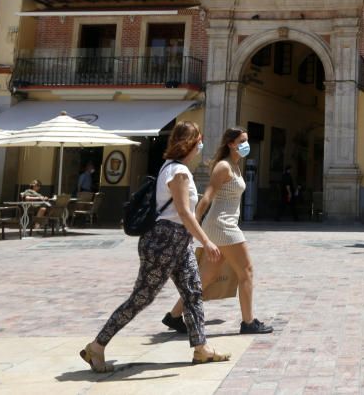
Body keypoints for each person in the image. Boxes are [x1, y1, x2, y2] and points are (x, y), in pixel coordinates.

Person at [80, 121, 229, 372]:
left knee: (192, 291)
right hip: (165, 240)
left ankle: (201, 348)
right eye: (199, 140)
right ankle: (97, 346)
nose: (202, 145)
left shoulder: (172, 168)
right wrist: (206, 241)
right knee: (142, 297)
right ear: (190, 143)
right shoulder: (178, 172)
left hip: (178, 241)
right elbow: (183, 212)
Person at [164, 127, 273, 335]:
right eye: (241, 141)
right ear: (231, 143)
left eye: (246, 140)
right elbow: (207, 197)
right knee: (247, 271)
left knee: (206, 277)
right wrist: (194, 224)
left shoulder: (235, 165)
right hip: (223, 225)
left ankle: (174, 316)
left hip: (223, 224)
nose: (245, 145)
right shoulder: (223, 166)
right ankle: (248, 322)